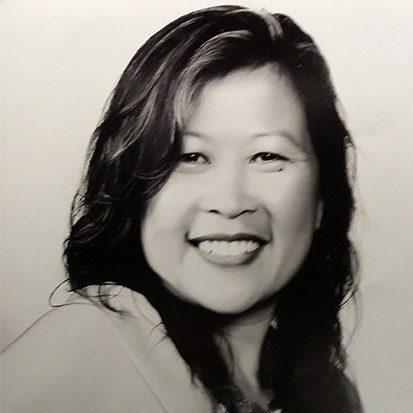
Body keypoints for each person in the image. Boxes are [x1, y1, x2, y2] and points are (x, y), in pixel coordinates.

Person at [2, 5, 363, 413]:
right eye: (190, 157)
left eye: (267, 156)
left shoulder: (329, 392)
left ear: (323, 195)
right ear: (133, 187)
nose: (230, 203)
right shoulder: (88, 344)